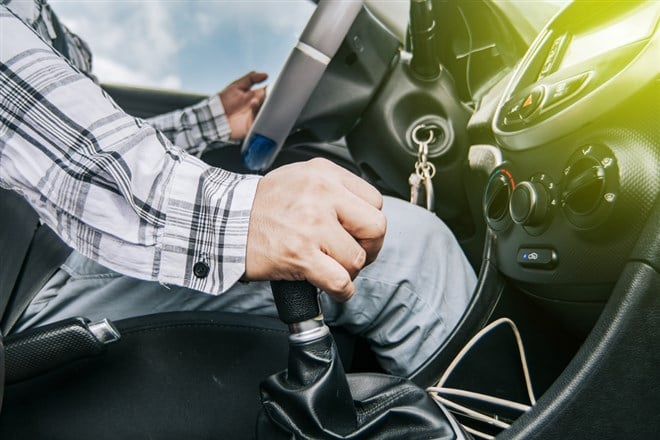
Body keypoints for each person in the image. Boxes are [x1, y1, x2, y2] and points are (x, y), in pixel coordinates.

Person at [0, 1, 476, 377]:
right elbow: (30, 115)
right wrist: (243, 216)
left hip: (52, 248)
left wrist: (210, 121)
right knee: (410, 252)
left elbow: (60, 148)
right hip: (29, 276)